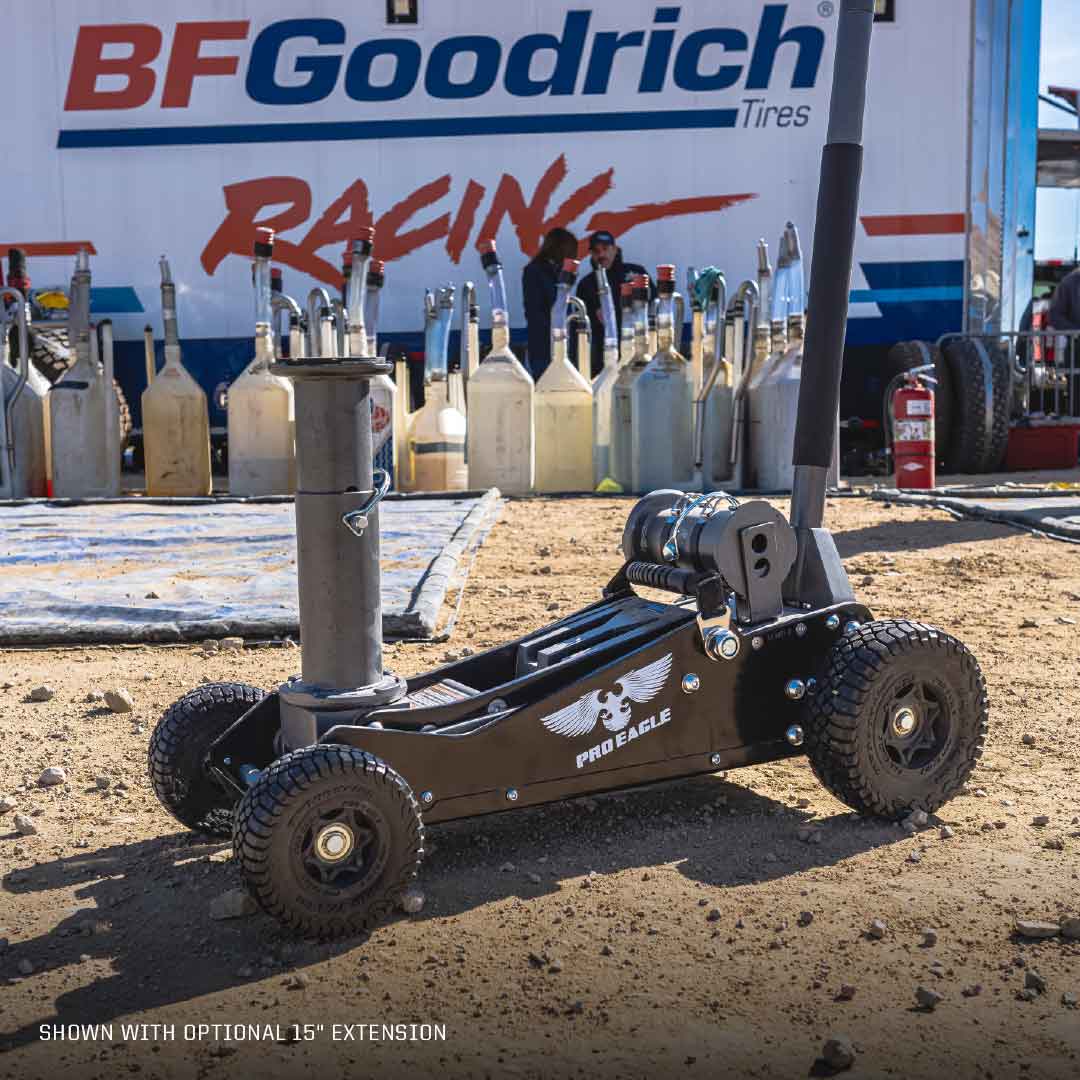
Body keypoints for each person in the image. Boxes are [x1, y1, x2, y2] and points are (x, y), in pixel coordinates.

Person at [575, 231, 652, 377]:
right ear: (591, 254)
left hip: (637, 348)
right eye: (596, 251)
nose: (601, 255)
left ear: (615, 250)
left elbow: (653, 304)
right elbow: (579, 325)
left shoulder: (635, 272)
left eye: (606, 249)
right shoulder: (586, 284)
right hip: (602, 354)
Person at [521, 227, 578, 380]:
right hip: (543, 343)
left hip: (562, 341)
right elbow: (534, 310)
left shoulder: (559, 271)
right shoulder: (535, 271)